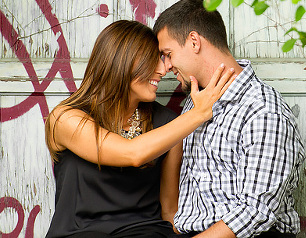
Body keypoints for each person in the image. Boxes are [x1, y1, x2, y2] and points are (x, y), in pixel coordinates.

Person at [44, 19, 235, 238]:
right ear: (121, 62)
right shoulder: (66, 119)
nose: (163, 69)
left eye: (164, 59)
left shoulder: (167, 122)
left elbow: (169, 210)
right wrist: (199, 113)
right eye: (153, 60)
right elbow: (132, 153)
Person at [154, 0, 305, 238]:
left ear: (194, 41)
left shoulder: (262, 110)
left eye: (168, 53)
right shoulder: (195, 101)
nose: (166, 66)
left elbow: (254, 212)